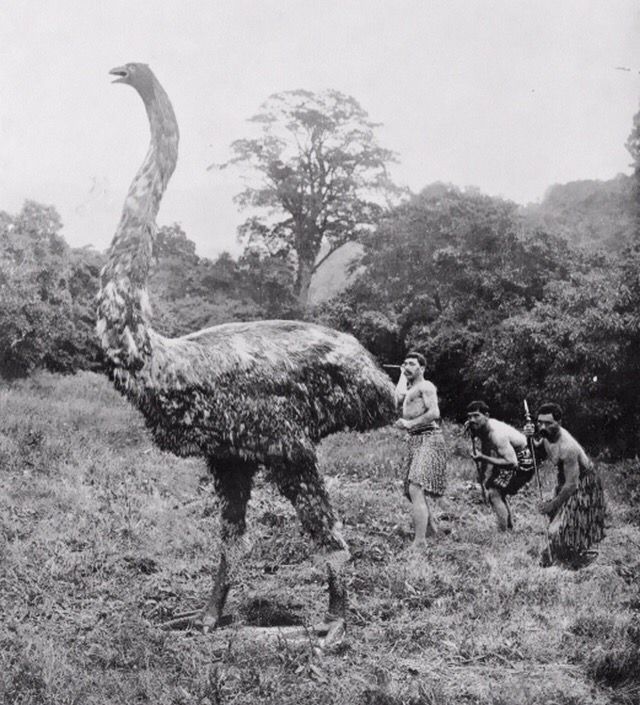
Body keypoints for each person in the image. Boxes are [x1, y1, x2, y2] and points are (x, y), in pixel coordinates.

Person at [524, 402, 605, 564]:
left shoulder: (567, 447)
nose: (542, 427)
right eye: (540, 422)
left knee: (559, 528)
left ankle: (576, 557)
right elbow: (537, 450)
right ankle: (564, 554)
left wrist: (552, 504)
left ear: (559, 423)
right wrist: (529, 437)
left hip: (582, 486)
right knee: (557, 522)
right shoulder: (547, 435)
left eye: (548, 423)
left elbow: (572, 485)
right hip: (566, 482)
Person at [393, 351, 447, 550]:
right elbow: (397, 399)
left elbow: (435, 413)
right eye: (405, 363)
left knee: (416, 488)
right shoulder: (409, 388)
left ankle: (420, 542)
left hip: (429, 437)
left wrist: (409, 423)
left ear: (422, 368)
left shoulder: (426, 386)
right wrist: (401, 374)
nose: (407, 366)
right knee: (409, 490)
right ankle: (430, 528)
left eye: (412, 364)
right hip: (415, 439)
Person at [466, 401, 535, 531]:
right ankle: (509, 527)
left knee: (494, 492)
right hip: (512, 457)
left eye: (476, 416)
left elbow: (512, 462)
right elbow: (486, 447)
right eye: (469, 417)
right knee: (497, 490)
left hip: (523, 460)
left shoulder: (497, 434)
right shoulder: (482, 428)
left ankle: (504, 532)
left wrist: (483, 458)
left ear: (486, 415)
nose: (472, 420)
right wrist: (482, 472)